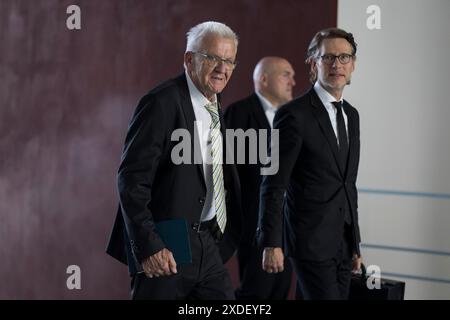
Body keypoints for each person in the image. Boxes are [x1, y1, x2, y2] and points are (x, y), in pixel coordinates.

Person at [106, 21, 243, 300]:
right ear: (189, 59)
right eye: (213, 58)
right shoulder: (161, 102)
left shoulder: (216, 104)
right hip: (166, 242)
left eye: (229, 60)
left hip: (206, 242)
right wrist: (149, 246)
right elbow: (131, 180)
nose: (222, 68)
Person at [258, 28, 363, 300]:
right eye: (328, 57)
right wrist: (271, 242)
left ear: (353, 64)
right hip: (309, 243)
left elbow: (347, 185)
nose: (336, 65)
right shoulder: (293, 115)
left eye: (343, 57)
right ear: (313, 63)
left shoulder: (352, 115)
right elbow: (273, 183)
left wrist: (355, 244)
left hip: (342, 242)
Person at [224, 57, 296, 299]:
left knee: (279, 293)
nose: (292, 82)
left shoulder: (292, 117)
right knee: (255, 295)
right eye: (285, 74)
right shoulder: (239, 113)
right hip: (253, 226)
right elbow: (226, 174)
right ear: (263, 79)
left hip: (287, 228)